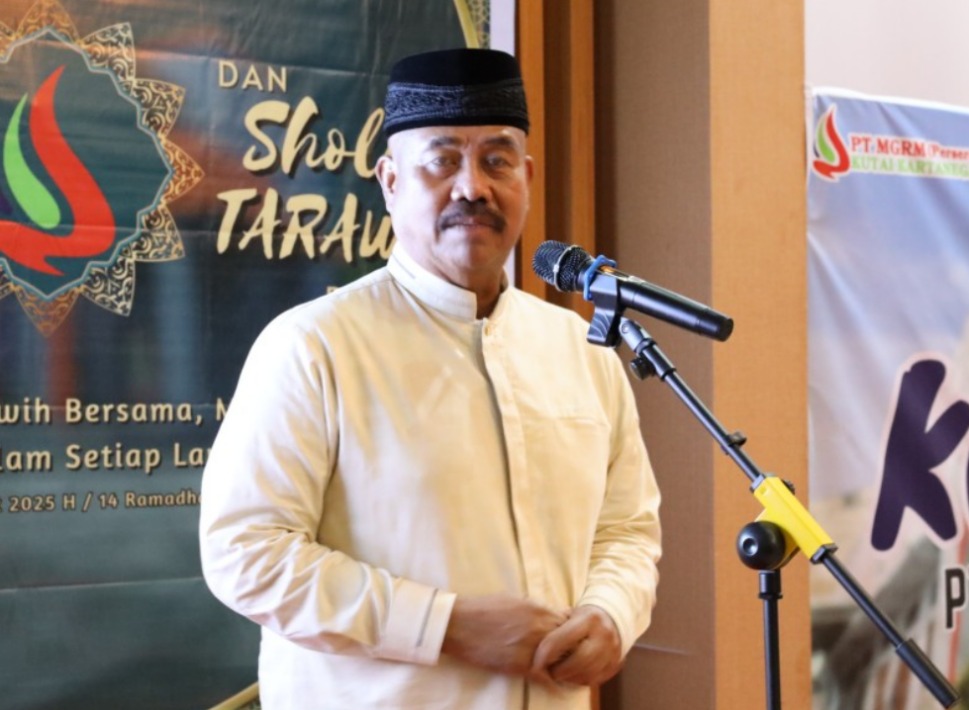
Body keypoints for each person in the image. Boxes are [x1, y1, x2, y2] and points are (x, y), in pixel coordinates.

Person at [199, 47, 661, 710]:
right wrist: (442, 625)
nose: (472, 187)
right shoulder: (315, 347)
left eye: (497, 161)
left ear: (527, 177)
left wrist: (612, 611)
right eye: (442, 161)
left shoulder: (580, 350)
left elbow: (626, 530)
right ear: (390, 181)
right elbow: (245, 551)